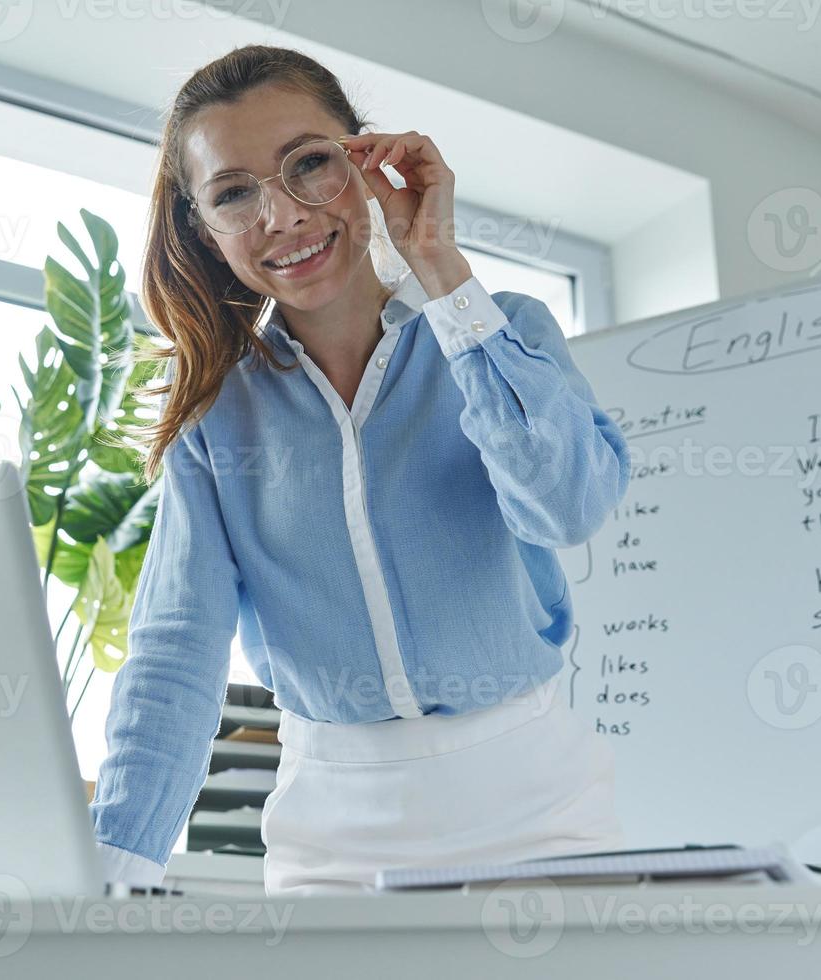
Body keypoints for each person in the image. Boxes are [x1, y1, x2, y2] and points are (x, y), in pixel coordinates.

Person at [87, 44, 632, 897]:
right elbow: (174, 652)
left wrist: (442, 271)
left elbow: (566, 507)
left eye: (309, 164)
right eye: (235, 193)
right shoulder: (217, 418)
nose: (284, 215)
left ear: (367, 161)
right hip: (330, 835)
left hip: (537, 807)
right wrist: (112, 871)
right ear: (205, 227)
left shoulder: (502, 331)